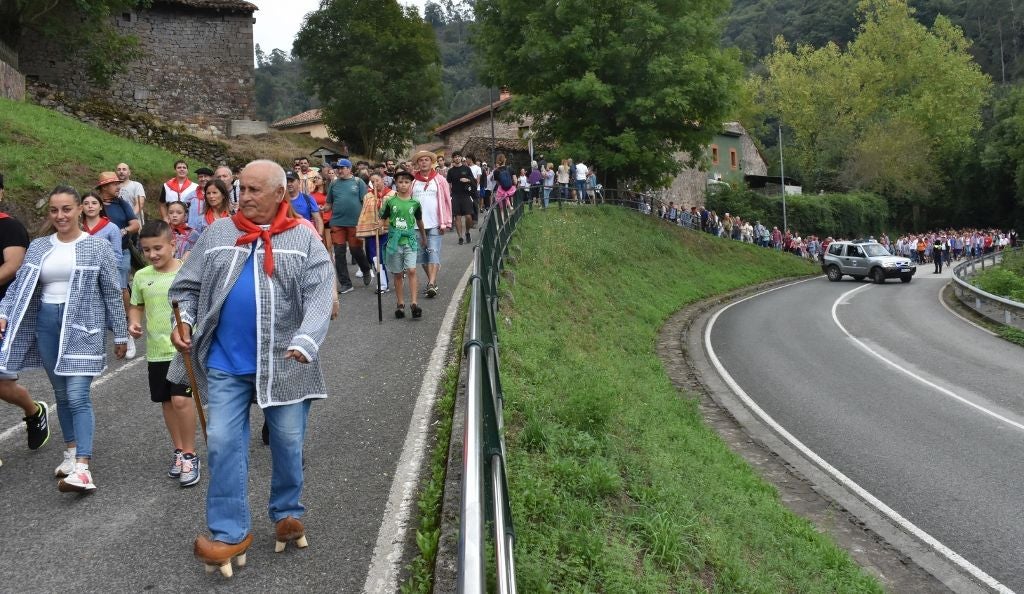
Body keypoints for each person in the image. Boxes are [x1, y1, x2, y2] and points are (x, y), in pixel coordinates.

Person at [168, 159, 334, 576]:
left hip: (286, 362)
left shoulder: (304, 237)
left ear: (281, 193)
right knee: (223, 442)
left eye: (256, 189)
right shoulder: (220, 232)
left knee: (288, 444)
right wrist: (183, 320)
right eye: (242, 187)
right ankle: (227, 533)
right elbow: (186, 286)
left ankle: (286, 513)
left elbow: (319, 296)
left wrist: (305, 340)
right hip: (226, 362)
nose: (245, 196)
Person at [0, 186, 129, 492]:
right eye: (54, 210)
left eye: (66, 209)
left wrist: (121, 332)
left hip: (84, 326)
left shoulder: (96, 247)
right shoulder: (40, 246)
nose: (60, 216)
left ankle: (83, 467)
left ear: (80, 210)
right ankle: (71, 452)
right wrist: (3, 311)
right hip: (46, 324)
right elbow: (19, 286)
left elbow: (112, 291)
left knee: (78, 394)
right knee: (60, 394)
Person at [128, 220, 200, 487]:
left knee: (181, 401)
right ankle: (179, 450)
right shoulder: (141, 276)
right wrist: (133, 321)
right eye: (147, 250)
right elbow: (136, 305)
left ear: (173, 244)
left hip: (182, 351)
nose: (153, 254)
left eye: (158, 248)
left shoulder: (187, 273)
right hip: (156, 352)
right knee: (167, 403)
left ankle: (191, 454)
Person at [0, 204, 50, 451]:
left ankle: (33, 409)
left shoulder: (9, 227)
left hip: (4, 311)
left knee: (2, 384)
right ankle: (34, 410)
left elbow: (12, 266)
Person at [96, 171, 140, 358]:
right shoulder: (94, 205)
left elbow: (135, 225)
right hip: (97, 254)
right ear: (104, 187)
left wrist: (123, 230)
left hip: (121, 252)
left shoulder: (121, 203)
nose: (118, 186)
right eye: (114, 184)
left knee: (121, 287)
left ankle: (126, 326)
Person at [379, 170, 428, 319]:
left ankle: (414, 303)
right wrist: (379, 225)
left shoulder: (415, 203)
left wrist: (424, 237)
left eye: (407, 182)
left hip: (410, 241)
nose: (404, 185)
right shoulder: (390, 202)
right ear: (396, 183)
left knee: (412, 270)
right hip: (394, 242)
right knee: (398, 273)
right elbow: (382, 217)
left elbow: (419, 221)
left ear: (411, 184)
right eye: (400, 182)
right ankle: (400, 304)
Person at [325, 159, 372, 293]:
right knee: (339, 254)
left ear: (349, 169)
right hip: (337, 222)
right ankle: (346, 283)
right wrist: (323, 208)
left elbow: (366, 202)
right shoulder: (333, 183)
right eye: (338, 168)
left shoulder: (358, 182)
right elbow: (329, 203)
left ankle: (365, 269)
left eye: (343, 168)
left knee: (355, 250)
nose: (339, 170)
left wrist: (368, 219)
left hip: (354, 223)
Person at [410, 150, 452, 299]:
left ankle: (431, 284)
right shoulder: (413, 182)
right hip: (416, 225)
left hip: (435, 223)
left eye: (426, 159)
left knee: (433, 252)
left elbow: (447, 201)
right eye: (421, 160)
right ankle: (432, 281)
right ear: (417, 163)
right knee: (422, 257)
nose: (423, 162)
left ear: (431, 162)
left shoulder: (439, 180)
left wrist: (446, 222)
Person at [356, 173, 392, 293]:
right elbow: (365, 213)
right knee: (375, 257)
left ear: (382, 180)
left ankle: (398, 273)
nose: (375, 183)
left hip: (388, 231)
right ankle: (382, 284)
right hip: (373, 231)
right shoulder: (368, 196)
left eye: (377, 180)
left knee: (387, 255)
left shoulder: (392, 195)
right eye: (372, 181)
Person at [81, 191, 123, 263]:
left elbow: (117, 257)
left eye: (94, 203)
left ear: (101, 207)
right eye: (86, 203)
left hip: (105, 272)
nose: (90, 206)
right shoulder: (76, 228)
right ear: (81, 208)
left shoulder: (112, 228)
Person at [446, 152, 477, 245]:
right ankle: (460, 237)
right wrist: (449, 194)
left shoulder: (466, 168)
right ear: (453, 159)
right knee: (457, 217)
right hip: (455, 196)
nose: (457, 158)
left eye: (458, 156)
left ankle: (467, 232)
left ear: (461, 158)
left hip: (466, 195)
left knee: (468, 216)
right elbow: (448, 183)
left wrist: (467, 180)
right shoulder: (451, 171)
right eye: (455, 157)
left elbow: (473, 180)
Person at [286, 171, 324, 236]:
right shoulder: (279, 200)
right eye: (287, 182)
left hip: (305, 236)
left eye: (291, 181)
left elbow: (317, 219)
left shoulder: (308, 199)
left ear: (298, 182)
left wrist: (319, 236)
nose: (289, 184)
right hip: (286, 237)